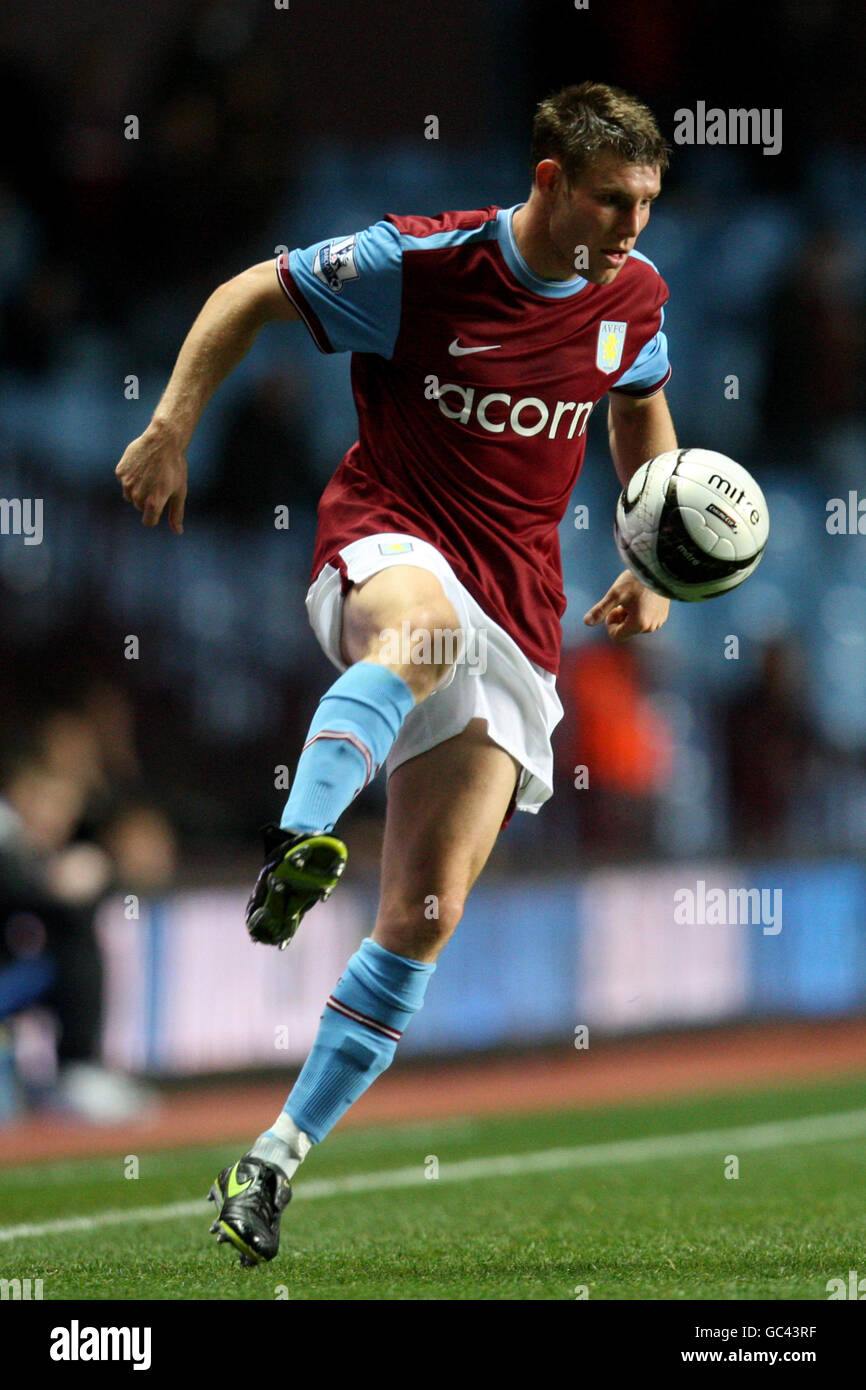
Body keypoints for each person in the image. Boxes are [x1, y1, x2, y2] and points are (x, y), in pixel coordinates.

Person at [116, 80, 678, 1266]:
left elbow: (639, 413)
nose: (631, 228)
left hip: (522, 609)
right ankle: (299, 835)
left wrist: (649, 552)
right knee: (414, 638)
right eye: (612, 201)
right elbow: (245, 296)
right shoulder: (418, 264)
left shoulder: (631, 297)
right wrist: (172, 425)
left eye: (646, 203)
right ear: (547, 183)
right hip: (394, 535)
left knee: (425, 914)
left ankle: (268, 1160)